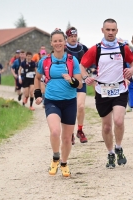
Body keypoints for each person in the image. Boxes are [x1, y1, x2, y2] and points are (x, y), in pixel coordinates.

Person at [80, 18, 133, 169]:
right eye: (108, 30)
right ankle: (110, 152)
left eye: (113, 30)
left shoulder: (123, 48)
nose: (110, 33)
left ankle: (118, 147)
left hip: (120, 89)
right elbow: (82, 65)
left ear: (117, 31)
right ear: (102, 30)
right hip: (102, 90)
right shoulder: (96, 49)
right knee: (106, 127)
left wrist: (131, 70)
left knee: (118, 121)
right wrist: (86, 77)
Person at [34, 29, 83, 177]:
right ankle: (56, 157)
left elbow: (79, 84)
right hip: (52, 101)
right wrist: (37, 94)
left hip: (69, 102)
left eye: (60, 40)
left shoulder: (71, 60)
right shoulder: (45, 61)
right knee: (55, 131)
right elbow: (37, 78)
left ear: (65, 42)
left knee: (67, 138)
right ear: (51, 43)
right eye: (55, 41)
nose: (58, 43)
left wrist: (71, 80)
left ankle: (64, 163)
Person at [65, 26, 88, 144]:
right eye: (71, 36)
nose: (73, 39)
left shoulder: (83, 48)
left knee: (81, 106)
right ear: (67, 37)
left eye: (75, 36)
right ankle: (70, 133)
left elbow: (91, 60)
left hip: (80, 82)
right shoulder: (63, 49)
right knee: (70, 109)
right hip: (67, 83)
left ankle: (80, 130)